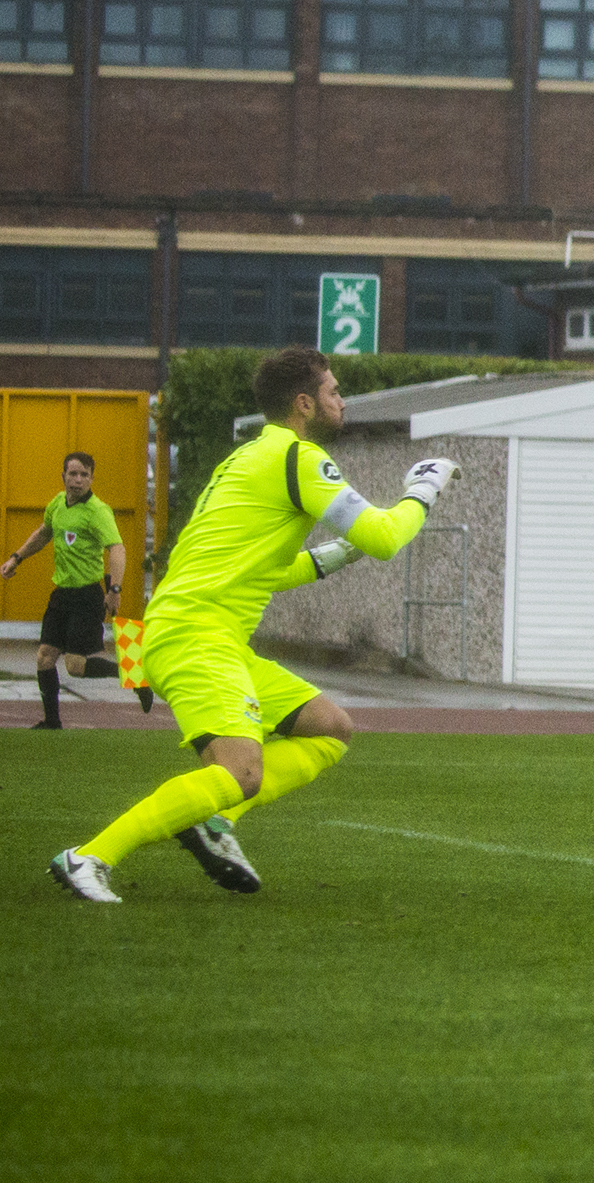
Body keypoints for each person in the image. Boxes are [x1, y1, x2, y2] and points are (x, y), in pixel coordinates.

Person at [47, 346, 460, 903]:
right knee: (241, 771)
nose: (342, 401)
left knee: (329, 727)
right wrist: (423, 490)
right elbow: (386, 536)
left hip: (200, 632)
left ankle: (212, 823)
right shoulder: (300, 459)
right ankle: (88, 857)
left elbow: (257, 569)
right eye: (334, 391)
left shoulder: (243, 460)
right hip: (197, 634)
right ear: (304, 404)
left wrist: (336, 554)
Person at [1, 453, 153, 725]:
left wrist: (114, 590)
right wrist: (16, 557)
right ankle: (52, 722)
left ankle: (136, 676)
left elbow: (117, 549)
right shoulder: (57, 504)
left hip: (87, 596)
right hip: (61, 594)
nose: (78, 480)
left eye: (84, 474)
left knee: (75, 667)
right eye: (73, 474)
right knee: (44, 657)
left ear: (92, 478)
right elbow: (44, 533)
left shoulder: (98, 510)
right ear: (63, 477)